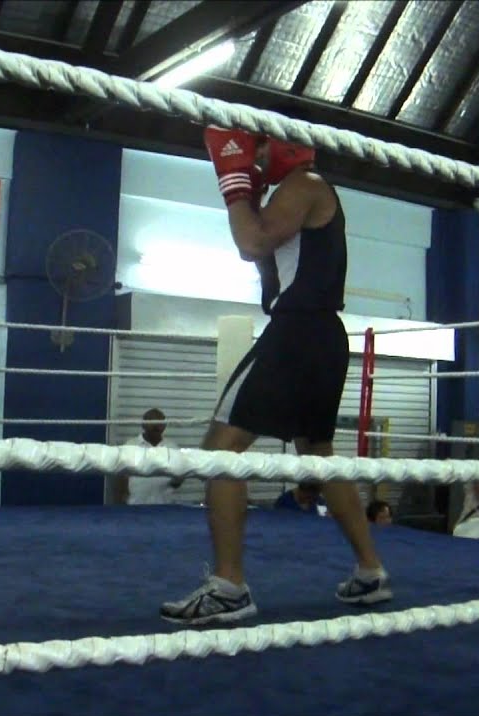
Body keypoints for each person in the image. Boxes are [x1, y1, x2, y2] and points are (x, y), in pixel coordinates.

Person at [160, 122, 390, 626]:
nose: (253, 157)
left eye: (256, 147)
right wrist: (252, 196)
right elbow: (267, 265)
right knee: (317, 457)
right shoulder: (296, 191)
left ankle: (229, 587)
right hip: (318, 334)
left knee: (221, 450)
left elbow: (250, 242)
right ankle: (371, 571)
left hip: (300, 332)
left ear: (277, 142)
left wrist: (234, 188)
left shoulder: (304, 184)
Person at [114, 408, 182, 505]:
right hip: (135, 505)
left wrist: (179, 478)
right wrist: (121, 502)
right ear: (143, 424)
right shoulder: (130, 445)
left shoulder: (172, 448)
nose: (156, 426)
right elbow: (121, 477)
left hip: (165, 506)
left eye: (160, 423)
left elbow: (176, 482)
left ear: (165, 426)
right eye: (152, 422)